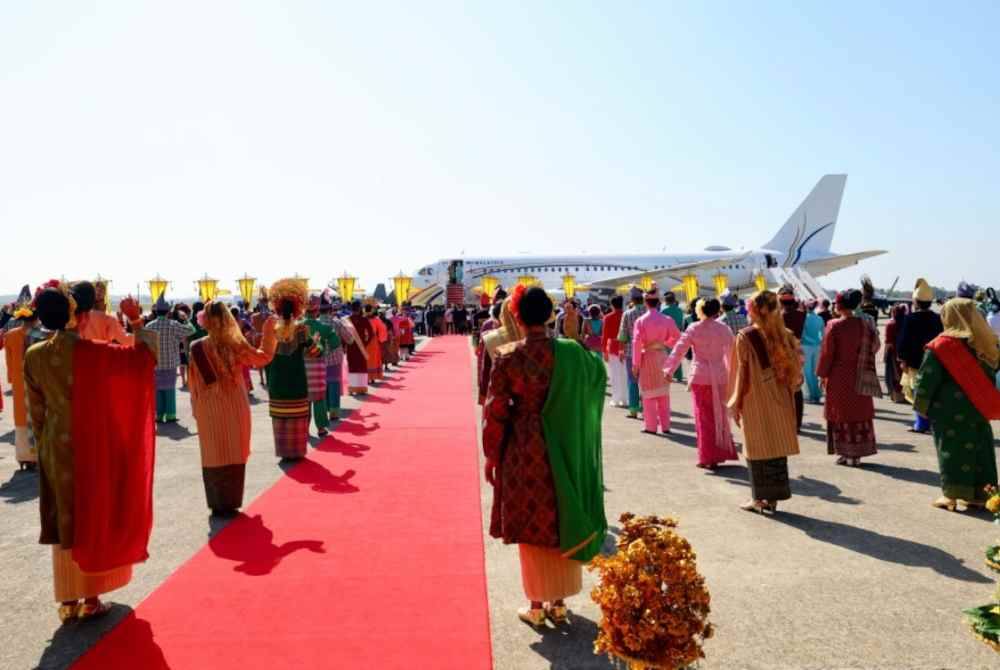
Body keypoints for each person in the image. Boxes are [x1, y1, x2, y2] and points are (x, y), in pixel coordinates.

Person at [25, 287, 157, 623]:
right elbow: (144, 357)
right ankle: (91, 598)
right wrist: (137, 319)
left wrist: (45, 443)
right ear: (75, 315)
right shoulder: (92, 352)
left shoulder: (35, 354)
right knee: (91, 512)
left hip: (56, 442)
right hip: (92, 441)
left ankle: (67, 601)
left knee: (65, 515)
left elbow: (35, 410)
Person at [482, 286, 607, 627]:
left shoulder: (509, 356)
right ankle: (559, 602)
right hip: (564, 442)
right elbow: (598, 374)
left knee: (532, 517)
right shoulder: (571, 353)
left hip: (525, 447)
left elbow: (495, 411)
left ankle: (536, 605)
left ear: (517, 317)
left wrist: (492, 455)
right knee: (561, 514)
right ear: (550, 315)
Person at [189, 301, 277, 514]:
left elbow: (193, 384)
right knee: (233, 450)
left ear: (205, 320)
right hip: (234, 406)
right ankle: (230, 502)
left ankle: (217, 503)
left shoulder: (197, 347)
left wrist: (196, 409)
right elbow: (262, 357)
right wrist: (268, 333)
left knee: (213, 452)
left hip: (208, 408)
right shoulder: (235, 344)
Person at [913, 298, 1000, 511]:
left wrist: (920, 405)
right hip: (979, 405)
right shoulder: (984, 342)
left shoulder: (941, 345)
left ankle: (951, 495)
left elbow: (927, 379)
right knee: (980, 448)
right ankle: (982, 495)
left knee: (951, 449)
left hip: (948, 409)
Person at [727, 290, 802, 514]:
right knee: (776, 445)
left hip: (754, 398)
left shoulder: (745, 336)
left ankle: (759, 498)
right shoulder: (786, 334)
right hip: (781, 397)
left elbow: (741, 375)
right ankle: (774, 498)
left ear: (753, 309)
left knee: (757, 448)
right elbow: (797, 375)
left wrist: (735, 402)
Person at [663, 298, 737, 469]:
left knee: (703, 418)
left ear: (701, 310)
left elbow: (679, 349)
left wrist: (669, 370)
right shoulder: (723, 329)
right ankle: (721, 453)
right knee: (720, 416)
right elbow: (733, 353)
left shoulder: (694, 328)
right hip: (720, 377)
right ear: (718, 311)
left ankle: (707, 456)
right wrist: (734, 375)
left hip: (700, 376)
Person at [817, 290, 880, 467]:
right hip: (860, 374)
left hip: (839, 375)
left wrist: (822, 374)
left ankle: (846, 453)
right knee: (859, 412)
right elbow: (875, 346)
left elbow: (827, 353)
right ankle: (856, 455)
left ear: (839, 306)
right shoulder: (865, 324)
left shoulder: (833, 325)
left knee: (841, 413)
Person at [265, 279, 313, 460]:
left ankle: (284, 452)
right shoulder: (301, 329)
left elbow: (263, 353)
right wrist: (316, 343)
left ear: (276, 308)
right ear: (297, 308)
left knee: (280, 418)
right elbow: (315, 351)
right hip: (296, 378)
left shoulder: (271, 329)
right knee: (297, 417)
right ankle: (297, 451)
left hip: (276, 378)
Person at [631, 288, 680, 435]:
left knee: (649, 394)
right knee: (663, 393)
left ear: (646, 303)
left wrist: (635, 364)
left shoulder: (641, 321)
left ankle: (651, 426)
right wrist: (665, 343)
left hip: (647, 357)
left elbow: (636, 343)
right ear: (658, 302)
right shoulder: (667, 320)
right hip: (662, 356)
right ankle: (666, 426)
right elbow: (678, 337)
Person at [898, 278, 943, 433]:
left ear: (916, 301)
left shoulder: (910, 319)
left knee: (917, 392)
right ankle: (927, 422)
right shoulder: (937, 319)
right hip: (933, 361)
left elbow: (903, 341)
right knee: (930, 392)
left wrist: (902, 359)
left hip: (914, 362)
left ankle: (922, 424)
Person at [146, 294, 195, 423]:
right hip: (170, 363)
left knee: (158, 390)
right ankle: (170, 415)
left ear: (156, 311)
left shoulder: (149, 326)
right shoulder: (173, 324)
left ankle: (158, 415)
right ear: (168, 312)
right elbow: (192, 330)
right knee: (169, 389)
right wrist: (185, 319)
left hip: (155, 364)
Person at [3, 302, 40, 469]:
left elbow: (9, 361)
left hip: (19, 381)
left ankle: (23, 457)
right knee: (35, 416)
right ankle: (36, 455)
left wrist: (11, 378)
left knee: (20, 418)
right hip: (36, 381)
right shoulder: (39, 334)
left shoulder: (10, 335)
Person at [304, 296, 338, 438]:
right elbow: (336, 343)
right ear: (316, 311)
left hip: (302, 367)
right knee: (319, 399)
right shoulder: (324, 327)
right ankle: (321, 429)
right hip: (317, 366)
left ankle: (304, 429)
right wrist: (325, 350)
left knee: (304, 399)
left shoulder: (298, 326)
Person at [778, 286, 806, 430]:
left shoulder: (780, 317)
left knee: (785, 389)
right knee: (797, 388)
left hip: (783, 354)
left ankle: (789, 421)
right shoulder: (802, 314)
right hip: (797, 352)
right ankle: (798, 422)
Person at [72, 281, 133, 345]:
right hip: (102, 353)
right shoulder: (109, 320)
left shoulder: (75, 319)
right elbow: (129, 341)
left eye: (101, 291)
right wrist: (134, 318)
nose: (98, 293)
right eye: (97, 292)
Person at [618, 287, 646, 419]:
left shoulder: (627, 314)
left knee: (632, 381)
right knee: (646, 381)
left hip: (631, 352)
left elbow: (623, 335)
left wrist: (621, 350)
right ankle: (647, 409)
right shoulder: (649, 311)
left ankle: (633, 410)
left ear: (632, 300)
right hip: (648, 351)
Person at [602, 295, 628, 407]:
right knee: (626, 375)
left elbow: (605, 336)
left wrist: (604, 351)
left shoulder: (607, 317)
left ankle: (616, 399)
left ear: (612, 305)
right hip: (626, 347)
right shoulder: (626, 315)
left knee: (614, 374)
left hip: (613, 347)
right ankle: (626, 399)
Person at [345, 300, 374, 394]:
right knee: (361, 367)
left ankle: (351, 389)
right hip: (361, 346)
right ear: (359, 308)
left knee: (352, 367)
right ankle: (361, 389)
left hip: (351, 347)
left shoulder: (347, 319)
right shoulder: (364, 319)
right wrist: (365, 343)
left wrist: (345, 345)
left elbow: (343, 335)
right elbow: (371, 334)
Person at [801, 301, 826, 404]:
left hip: (806, 346)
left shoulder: (804, 318)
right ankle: (817, 394)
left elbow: (802, 333)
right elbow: (823, 334)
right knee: (816, 372)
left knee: (807, 372)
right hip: (817, 346)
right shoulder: (820, 318)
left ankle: (811, 395)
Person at [883, 304, 908, 402]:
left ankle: (897, 397)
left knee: (894, 374)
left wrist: (885, 355)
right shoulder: (907, 322)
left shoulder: (890, 324)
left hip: (893, 352)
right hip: (906, 352)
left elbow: (888, 343)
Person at [660, 291, 686, 383]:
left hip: (667, 336)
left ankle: (669, 374)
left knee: (668, 356)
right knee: (677, 355)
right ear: (674, 300)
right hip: (678, 334)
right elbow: (682, 324)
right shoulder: (679, 310)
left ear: (666, 301)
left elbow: (661, 325)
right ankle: (679, 376)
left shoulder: (663, 311)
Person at [366, 304, 386, 384]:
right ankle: (371, 377)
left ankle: (369, 377)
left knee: (369, 359)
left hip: (367, 341)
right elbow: (382, 329)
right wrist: (381, 339)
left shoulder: (372, 319)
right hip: (371, 341)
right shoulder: (376, 320)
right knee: (371, 359)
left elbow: (382, 329)